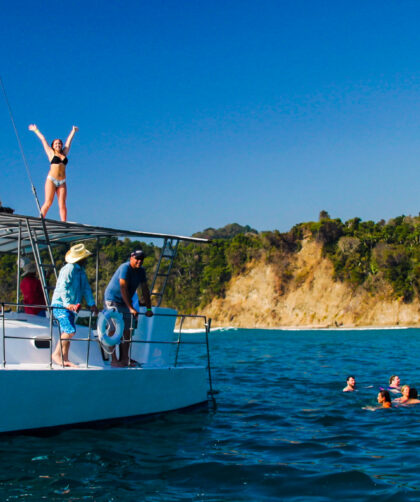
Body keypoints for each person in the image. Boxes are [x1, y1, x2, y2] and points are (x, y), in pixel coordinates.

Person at [104, 249, 153, 367]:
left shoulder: (141, 271)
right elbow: (123, 288)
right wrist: (131, 308)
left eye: (141, 259)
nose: (139, 261)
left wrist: (149, 309)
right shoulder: (125, 267)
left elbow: (145, 289)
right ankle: (114, 359)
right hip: (113, 300)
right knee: (113, 329)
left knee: (127, 331)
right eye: (137, 259)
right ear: (131, 258)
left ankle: (125, 359)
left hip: (125, 302)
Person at [51, 243, 98, 366]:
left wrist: (91, 304)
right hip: (60, 304)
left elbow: (86, 289)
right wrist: (67, 304)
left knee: (67, 332)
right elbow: (63, 287)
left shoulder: (81, 271)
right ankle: (56, 354)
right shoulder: (69, 269)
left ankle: (65, 359)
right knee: (70, 330)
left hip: (71, 307)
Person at [29, 124, 78, 221]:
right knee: (48, 202)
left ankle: (64, 223)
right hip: (51, 179)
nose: (58, 145)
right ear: (53, 146)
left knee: (62, 204)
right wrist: (36, 130)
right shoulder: (51, 153)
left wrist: (73, 131)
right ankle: (40, 220)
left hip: (62, 181)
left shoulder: (64, 153)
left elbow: (69, 142)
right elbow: (43, 140)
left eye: (59, 143)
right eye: (56, 144)